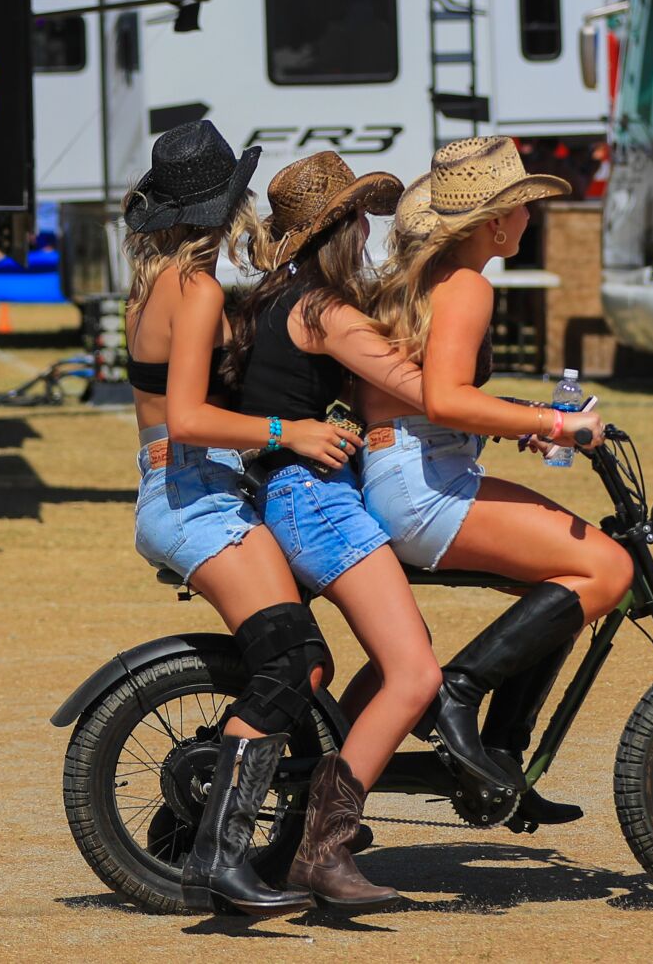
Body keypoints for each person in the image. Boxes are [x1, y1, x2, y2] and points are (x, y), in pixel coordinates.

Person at [119, 120, 352, 918]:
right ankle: (219, 857)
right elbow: (187, 416)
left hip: (184, 488)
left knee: (299, 660)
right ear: (226, 204)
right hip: (196, 492)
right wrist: (294, 431)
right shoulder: (197, 289)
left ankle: (219, 832)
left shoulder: (155, 285)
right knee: (292, 661)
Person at [362, 136, 633, 822]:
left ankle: (503, 762)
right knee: (606, 567)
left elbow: (437, 405)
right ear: (495, 222)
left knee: (567, 589)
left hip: (411, 470)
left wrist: (524, 423)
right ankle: (458, 693)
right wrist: (552, 421)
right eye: (523, 207)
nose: (530, 219)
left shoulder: (435, 281)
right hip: (422, 485)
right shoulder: (468, 285)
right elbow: (445, 399)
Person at [231, 150, 443, 909]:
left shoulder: (273, 298)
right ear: (341, 228)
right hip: (315, 499)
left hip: (296, 495)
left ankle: (322, 802)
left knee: (395, 667)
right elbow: (424, 389)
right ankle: (323, 849)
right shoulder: (327, 312)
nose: (368, 229)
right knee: (416, 672)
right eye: (359, 216)